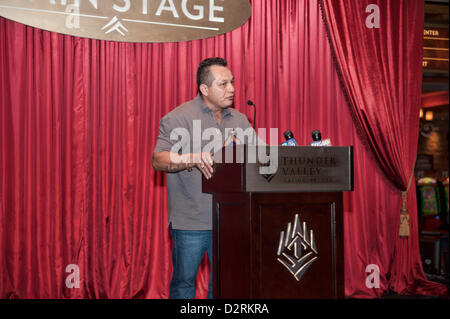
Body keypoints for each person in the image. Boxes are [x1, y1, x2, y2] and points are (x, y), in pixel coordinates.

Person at [152, 57, 253, 299]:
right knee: (184, 284)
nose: (232, 89)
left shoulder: (240, 119)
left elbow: (254, 160)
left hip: (230, 220)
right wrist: (191, 158)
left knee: (225, 284)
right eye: (223, 84)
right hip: (191, 221)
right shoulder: (178, 118)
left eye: (232, 82)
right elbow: (159, 160)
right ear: (204, 89)